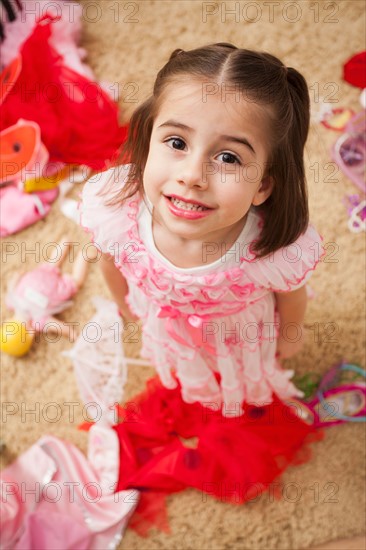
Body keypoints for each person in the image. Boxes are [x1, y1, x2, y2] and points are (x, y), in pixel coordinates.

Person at [80, 43, 324, 417]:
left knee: (239, 379)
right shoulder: (118, 213)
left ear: (263, 186)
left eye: (228, 157)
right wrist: (122, 302)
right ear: (148, 144)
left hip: (236, 336)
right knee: (183, 364)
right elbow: (111, 263)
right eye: (176, 143)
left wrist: (290, 337)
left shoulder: (272, 251)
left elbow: (292, 296)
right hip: (166, 323)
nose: (192, 176)